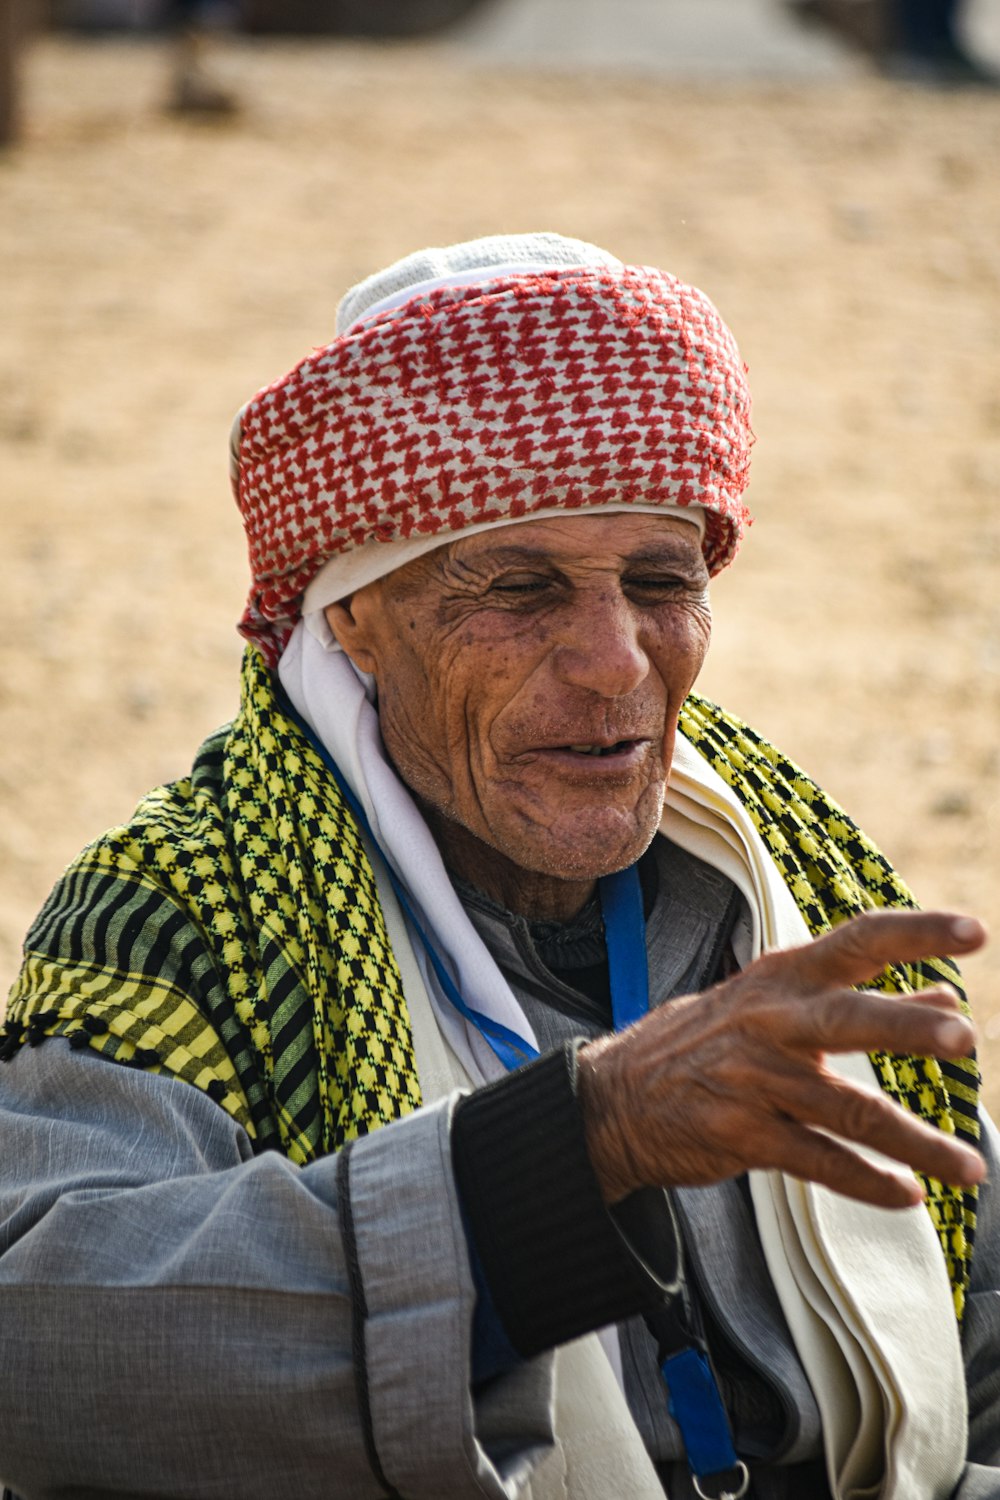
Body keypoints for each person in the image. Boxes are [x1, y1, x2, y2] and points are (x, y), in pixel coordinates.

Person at [0, 232, 997, 1500]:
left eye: (657, 579)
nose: (616, 661)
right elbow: (36, 1332)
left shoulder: (789, 866)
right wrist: (576, 1145)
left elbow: (977, 1322)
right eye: (521, 589)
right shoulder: (188, 911)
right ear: (350, 622)